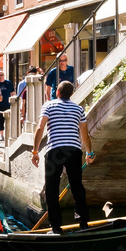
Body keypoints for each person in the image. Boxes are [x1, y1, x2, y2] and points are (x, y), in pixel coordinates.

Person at [32, 80, 95, 233]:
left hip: (55, 151)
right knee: (77, 187)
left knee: (52, 188)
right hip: (73, 150)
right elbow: (84, 135)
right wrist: (89, 153)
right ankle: (83, 223)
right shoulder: (78, 109)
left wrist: (34, 152)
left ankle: (55, 227)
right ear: (72, 94)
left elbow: (40, 128)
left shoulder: (49, 105)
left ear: (57, 93)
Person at [0, 70, 15, 142]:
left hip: (7, 104)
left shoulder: (8, 83)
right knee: (0, 121)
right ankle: (2, 135)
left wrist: (14, 100)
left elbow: (12, 92)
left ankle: (9, 134)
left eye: (2, 75)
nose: (0, 76)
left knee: (8, 120)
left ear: (4, 75)